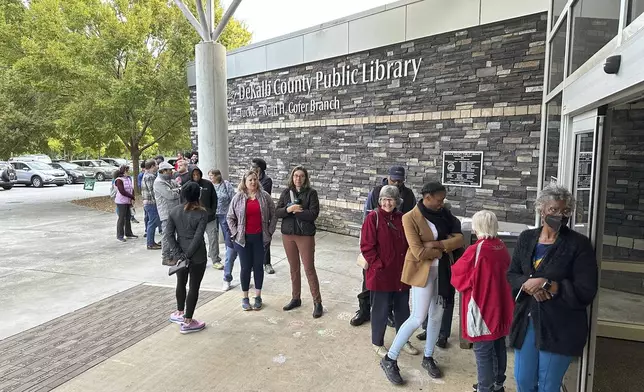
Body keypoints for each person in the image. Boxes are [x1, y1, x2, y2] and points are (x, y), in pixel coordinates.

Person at [507, 185, 598, 392]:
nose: (560, 215)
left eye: (565, 211)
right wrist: (530, 284)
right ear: (541, 210)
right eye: (554, 210)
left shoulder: (578, 244)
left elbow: (586, 290)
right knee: (523, 381)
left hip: (561, 325)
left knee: (548, 385)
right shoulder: (526, 238)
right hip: (527, 321)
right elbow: (512, 274)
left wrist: (548, 284)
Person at [380, 181, 464, 385]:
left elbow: (460, 239)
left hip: (442, 272)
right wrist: (445, 247)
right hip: (422, 272)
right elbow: (418, 251)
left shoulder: (445, 214)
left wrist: (436, 244)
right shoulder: (410, 218)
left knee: (436, 316)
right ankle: (390, 358)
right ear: (427, 197)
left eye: (442, 200)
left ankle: (428, 356)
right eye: (438, 199)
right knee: (418, 317)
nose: (441, 203)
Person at [451, 210, 514, 392]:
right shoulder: (500, 246)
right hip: (501, 305)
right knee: (498, 345)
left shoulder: (475, 250)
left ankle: (484, 387)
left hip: (482, 307)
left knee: (482, 350)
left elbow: (458, 276)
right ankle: (498, 384)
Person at [350, 165, 417, 327]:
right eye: (394, 180)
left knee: (394, 283)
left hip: (396, 246)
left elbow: (412, 218)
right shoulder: (376, 192)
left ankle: (389, 313)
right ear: (388, 176)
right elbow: (367, 215)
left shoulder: (408, 195)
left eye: (400, 181)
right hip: (376, 242)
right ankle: (364, 310)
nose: (397, 183)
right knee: (369, 280)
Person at [360, 185, 419, 358]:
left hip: (401, 273)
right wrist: (379, 265)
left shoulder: (403, 218)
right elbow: (367, 247)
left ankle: (403, 340)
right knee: (381, 310)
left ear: (397, 202)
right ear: (379, 201)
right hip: (381, 274)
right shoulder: (373, 218)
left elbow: (410, 242)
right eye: (384, 199)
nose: (387, 203)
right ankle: (377, 342)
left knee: (403, 309)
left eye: (391, 199)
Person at [276, 166, 323, 318]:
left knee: (309, 268)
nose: (298, 178)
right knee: (293, 268)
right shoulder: (285, 193)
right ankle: (296, 298)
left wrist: (298, 211)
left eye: (301, 176)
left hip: (305, 235)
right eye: (296, 176)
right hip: (288, 235)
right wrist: (288, 210)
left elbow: (313, 214)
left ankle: (317, 302)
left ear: (305, 178)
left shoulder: (311, 193)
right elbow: (277, 212)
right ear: (292, 177)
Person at [227, 170, 277, 311]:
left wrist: (270, 230)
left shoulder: (265, 196)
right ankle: (245, 297)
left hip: (260, 238)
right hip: (243, 239)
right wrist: (235, 232)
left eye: (255, 179)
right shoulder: (238, 197)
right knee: (245, 267)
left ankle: (258, 296)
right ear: (245, 182)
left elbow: (274, 215)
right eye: (250, 180)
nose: (253, 182)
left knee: (258, 267)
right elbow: (230, 217)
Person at [166, 182, 209, 334]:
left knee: (181, 283)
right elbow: (198, 238)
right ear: (198, 195)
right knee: (194, 286)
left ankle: (179, 312)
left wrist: (179, 254)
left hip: (180, 254)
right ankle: (188, 321)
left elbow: (169, 235)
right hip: (197, 256)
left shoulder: (174, 211)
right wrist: (187, 255)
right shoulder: (202, 213)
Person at [209, 169, 239, 290]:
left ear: (217, 176)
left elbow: (233, 198)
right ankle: (214, 257)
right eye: (209, 176)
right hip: (212, 214)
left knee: (227, 234)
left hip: (226, 214)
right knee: (212, 235)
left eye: (212, 175)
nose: (210, 178)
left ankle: (228, 248)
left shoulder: (226, 185)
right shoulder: (209, 186)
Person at [187, 167, 219, 267]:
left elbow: (214, 198)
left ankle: (215, 259)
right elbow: (184, 201)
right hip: (195, 218)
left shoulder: (208, 184)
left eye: (198, 174)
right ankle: (198, 259)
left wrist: (212, 211)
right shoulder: (188, 185)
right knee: (197, 240)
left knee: (213, 238)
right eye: (194, 175)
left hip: (209, 217)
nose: (196, 176)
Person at [154, 162, 181, 265]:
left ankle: (174, 254)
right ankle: (165, 257)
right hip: (166, 212)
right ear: (163, 171)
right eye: (169, 170)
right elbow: (170, 195)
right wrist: (177, 191)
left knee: (174, 234)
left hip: (174, 211)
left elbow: (178, 187)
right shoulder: (159, 182)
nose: (171, 172)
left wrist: (176, 190)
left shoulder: (170, 180)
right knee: (167, 235)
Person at [251, 158, 275, 274]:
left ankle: (267, 263)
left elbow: (262, 195)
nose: (251, 168)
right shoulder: (249, 178)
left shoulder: (267, 180)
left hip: (263, 213)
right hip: (251, 213)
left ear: (259, 169)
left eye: (253, 167)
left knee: (265, 239)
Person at [114, 165, 137, 242]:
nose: (128, 172)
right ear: (123, 172)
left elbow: (131, 188)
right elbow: (122, 191)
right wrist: (131, 196)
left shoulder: (128, 179)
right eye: (127, 171)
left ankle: (128, 233)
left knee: (128, 217)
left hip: (128, 201)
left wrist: (132, 196)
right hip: (121, 201)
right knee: (121, 218)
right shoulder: (119, 180)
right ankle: (120, 235)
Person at [141, 159, 161, 250]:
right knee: (152, 223)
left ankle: (151, 242)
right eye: (156, 165)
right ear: (152, 166)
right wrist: (158, 202)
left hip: (148, 203)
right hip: (151, 203)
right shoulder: (150, 176)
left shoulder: (147, 175)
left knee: (152, 222)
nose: (157, 166)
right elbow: (152, 191)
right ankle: (150, 243)